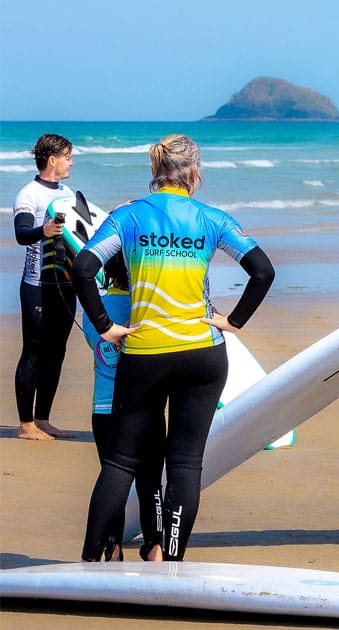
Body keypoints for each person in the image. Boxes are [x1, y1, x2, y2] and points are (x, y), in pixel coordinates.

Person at [73, 135, 275, 562]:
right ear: (195, 174)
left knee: (121, 463)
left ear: (155, 171)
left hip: (145, 354)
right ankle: (172, 559)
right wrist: (233, 321)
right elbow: (262, 271)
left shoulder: (127, 218)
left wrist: (106, 326)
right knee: (184, 464)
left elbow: (84, 267)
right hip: (203, 352)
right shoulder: (213, 219)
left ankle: (90, 561)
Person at [79, 254, 164, 561]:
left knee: (112, 480)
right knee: (150, 479)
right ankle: (155, 546)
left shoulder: (93, 309)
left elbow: (95, 344)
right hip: (145, 405)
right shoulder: (146, 308)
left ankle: (112, 549)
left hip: (103, 407)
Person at [11, 133, 77, 441]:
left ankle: (43, 418)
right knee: (33, 353)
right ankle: (26, 425)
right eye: (67, 156)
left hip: (65, 284)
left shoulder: (68, 193)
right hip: (37, 285)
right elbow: (22, 234)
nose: (71, 161)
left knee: (57, 352)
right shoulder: (29, 194)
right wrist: (44, 229)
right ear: (52, 159)